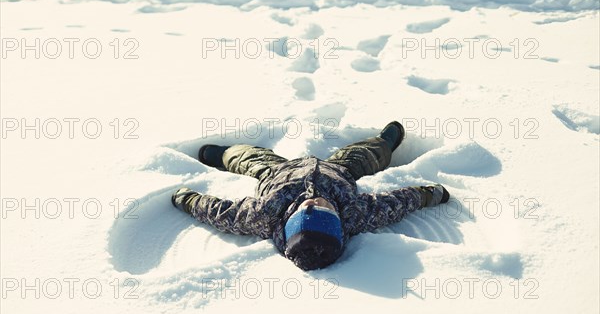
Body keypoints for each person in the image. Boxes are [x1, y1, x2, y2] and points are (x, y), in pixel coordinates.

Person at [172, 121, 449, 270]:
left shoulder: (264, 215)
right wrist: (428, 194)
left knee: (249, 157)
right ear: (338, 220)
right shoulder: (354, 214)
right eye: (323, 209)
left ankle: (223, 154)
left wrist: (188, 200)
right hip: (340, 172)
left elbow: (220, 213)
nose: (312, 201)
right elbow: (396, 203)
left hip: (277, 173)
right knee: (364, 155)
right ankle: (384, 143)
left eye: (305, 209)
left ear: (290, 219)